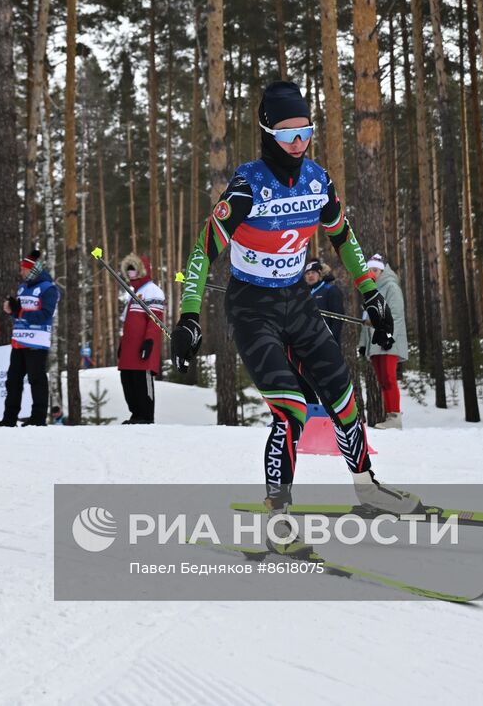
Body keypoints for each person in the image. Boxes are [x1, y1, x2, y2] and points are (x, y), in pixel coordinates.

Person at [170, 81, 420, 531]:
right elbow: (203, 249)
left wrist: (372, 294)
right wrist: (189, 314)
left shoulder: (318, 180)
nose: (298, 143)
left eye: (306, 132)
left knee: (343, 397)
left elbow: (344, 238)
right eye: (287, 136)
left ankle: (366, 488)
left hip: (297, 301)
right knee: (291, 408)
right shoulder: (248, 185)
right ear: (268, 134)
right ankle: (278, 507)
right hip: (252, 308)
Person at [0, 248, 61, 427]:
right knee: (12, 381)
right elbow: (20, 314)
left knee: (36, 380)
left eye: (23, 269)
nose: (21, 272)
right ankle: (9, 418)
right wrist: (11, 310)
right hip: (19, 341)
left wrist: (20, 311)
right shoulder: (22, 288)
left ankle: (38, 418)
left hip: (37, 343)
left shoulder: (49, 288)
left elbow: (45, 315)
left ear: (33, 270)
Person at [116, 253, 164, 424]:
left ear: (141, 271)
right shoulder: (133, 293)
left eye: (134, 271)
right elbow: (128, 323)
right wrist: (122, 344)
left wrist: (149, 340)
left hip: (142, 347)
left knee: (142, 381)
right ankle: (136, 414)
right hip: (129, 348)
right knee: (128, 381)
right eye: (128, 272)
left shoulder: (152, 291)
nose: (131, 275)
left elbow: (155, 320)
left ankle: (146, 415)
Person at [362, 253, 409, 429]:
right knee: (382, 379)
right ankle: (390, 415)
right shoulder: (371, 291)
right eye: (369, 270)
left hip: (388, 341)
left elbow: (396, 315)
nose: (372, 273)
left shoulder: (391, 287)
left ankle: (395, 416)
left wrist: (389, 337)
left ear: (382, 271)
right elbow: (366, 319)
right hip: (375, 342)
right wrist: (362, 344)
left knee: (389, 378)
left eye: (375, 270)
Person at [303, 260, 345, 345]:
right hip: (307, 342)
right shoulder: (303, 294)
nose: (310, 275)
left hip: (326, 340)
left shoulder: (330, 290)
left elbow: (338, 317)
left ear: (320, 274)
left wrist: (332, 338)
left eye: (313, 272)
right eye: (307, 273)